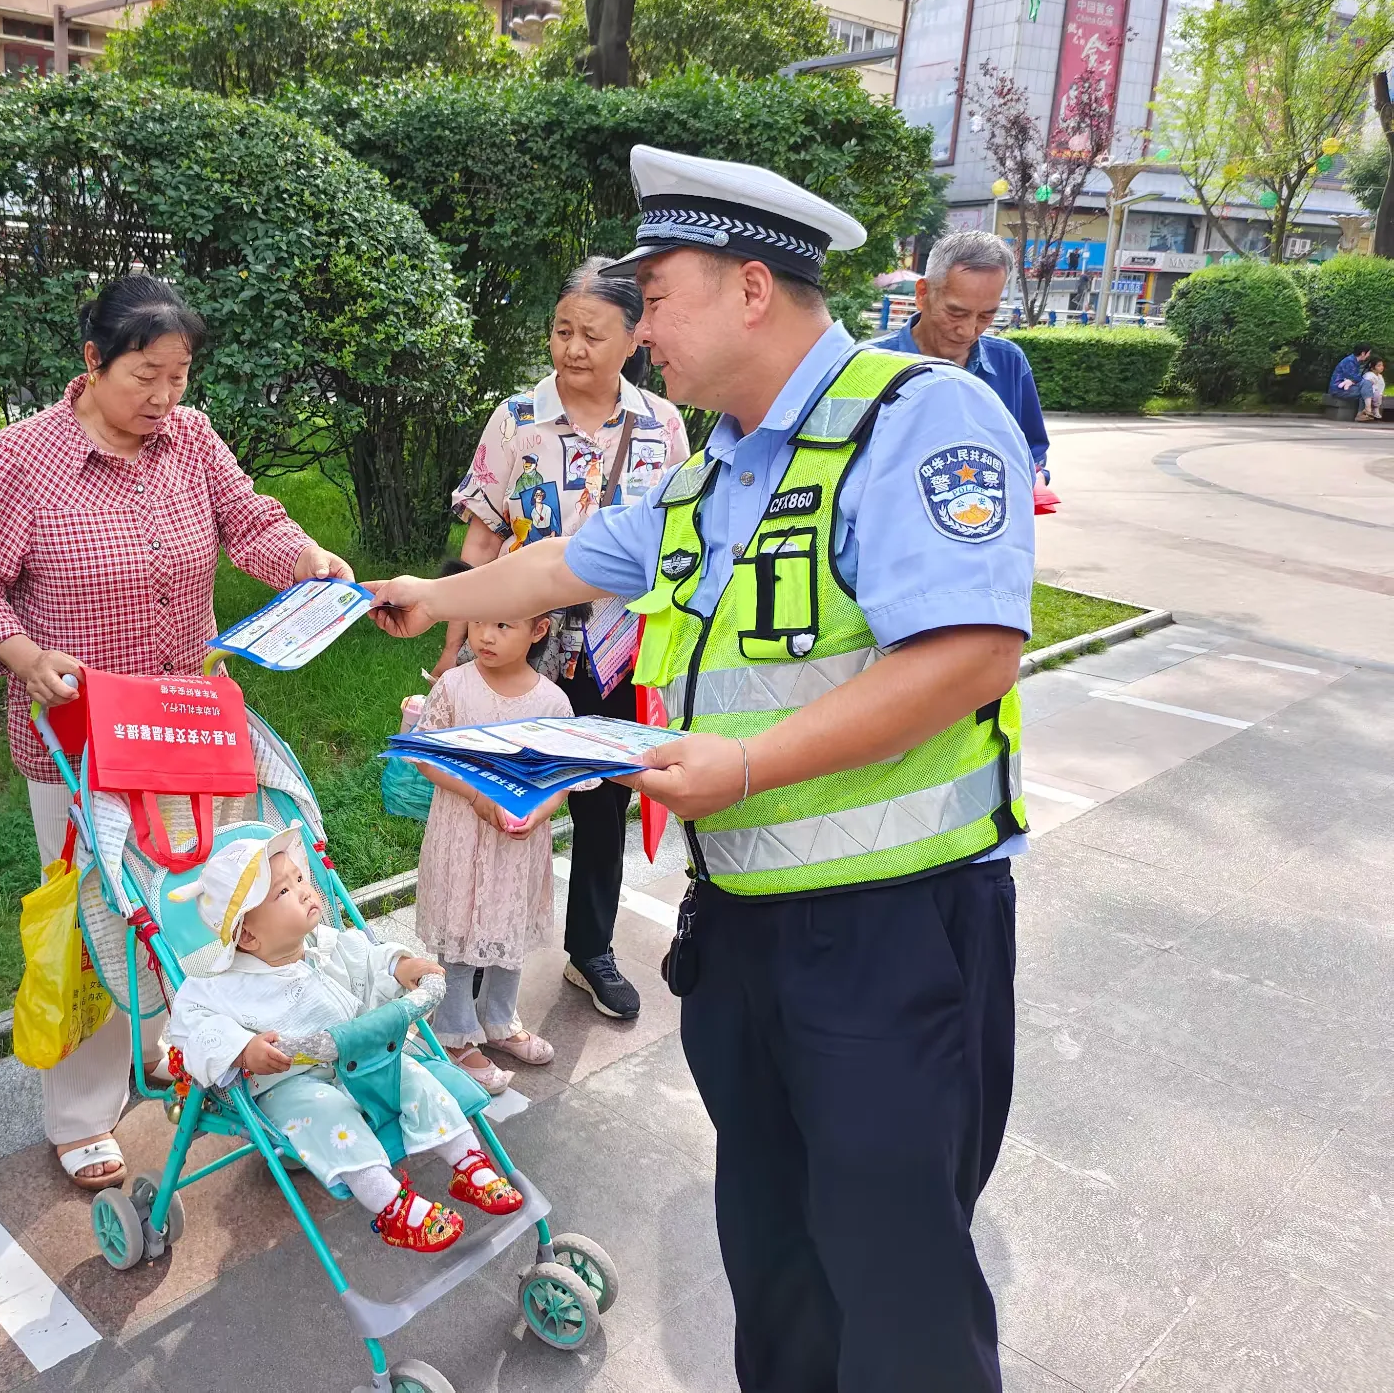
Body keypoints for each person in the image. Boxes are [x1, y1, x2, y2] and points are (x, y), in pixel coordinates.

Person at [367, 145, 1034, 1393]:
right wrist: (427, 594)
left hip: (889, 937)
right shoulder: (712, 471)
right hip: (746, 934)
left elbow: (968, 655)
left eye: (654, 295)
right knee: (773, 1261)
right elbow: (564, 563)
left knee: (894, 1285)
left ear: (747, 289)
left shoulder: (915, 418)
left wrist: (744, 765)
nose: (638, 329)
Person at [0, 274, 352, 1190]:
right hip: (82, 737)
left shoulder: (191, 440)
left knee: (215, 902)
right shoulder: (24, 456)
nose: (165, 400)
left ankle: (191, 1046)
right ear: (91, 363)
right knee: (102, 920)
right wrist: (22, 653)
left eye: (179, 376)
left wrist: (309, 560)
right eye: (144, 377)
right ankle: (83, 1111)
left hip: (194, 725)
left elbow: (252, 522)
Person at [437, 258, 690, 1023]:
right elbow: (480, 545)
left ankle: (592, 951)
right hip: (521, 648)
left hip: (619, 649)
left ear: (632, 340)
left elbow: (680, 540)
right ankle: (479, 961)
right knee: (502, 798)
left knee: (606, 803)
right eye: (561, 331)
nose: (572, 348)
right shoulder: (518, 419)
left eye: (592, 334)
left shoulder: (662, 425)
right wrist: (453, 647)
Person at [163, 827, 524, 1251]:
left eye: (300, 879)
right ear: (248, 935)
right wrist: (242, 1049)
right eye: (283, 892)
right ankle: (389, 1203)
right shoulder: (225, 986)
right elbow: (194, 1025)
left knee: (412, 1073)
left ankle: (468, 1162)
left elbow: (369, 957)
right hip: (291, 1083)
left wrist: (398, 967)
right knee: (326, 1113)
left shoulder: (325, 946)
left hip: (361, 1060)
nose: (303, 891)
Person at [410, 585, 570, 1095]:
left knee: (508, 928)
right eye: (478, 622)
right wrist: (478, 797)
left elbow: (560, 780)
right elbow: (427, 755)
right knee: (459, 929)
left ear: (538, 630)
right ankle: (454, 1032)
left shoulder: (552, 701)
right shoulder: (455, 687)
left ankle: (499, 1019)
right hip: (461, 834)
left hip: (517, 846)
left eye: (503, 625)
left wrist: (535, 811)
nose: (485, 635)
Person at [872, 230, 1050, 480]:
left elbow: (1032, 451)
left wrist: (1036, 477)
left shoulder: (1009, 363)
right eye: (956, 313)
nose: (968, 331)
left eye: (986, 316)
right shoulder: (870, 364)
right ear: (923, 293)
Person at [1331, 341, 1372, 410]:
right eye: (1368, 353)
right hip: (1339, 389)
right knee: (1366, 391)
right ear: (1363, 353)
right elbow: (1353, 377)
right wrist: (1365, 381)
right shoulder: (1349, 361)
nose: (1369, 355)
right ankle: (1365, 412)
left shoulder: (1354, 361)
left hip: (1346, 388)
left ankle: (1364, 413)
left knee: (1366, 391)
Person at [1354, 354, 1383, 421]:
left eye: (1382, 365)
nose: (1382, 367)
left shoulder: (1380, 376)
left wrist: (1380, 392)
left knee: (1378, 396)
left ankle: (1374, 410)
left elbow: (1381, 386)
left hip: (1375, 392)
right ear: (1372, 368)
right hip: (1369, 392)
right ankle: (1368, 410)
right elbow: (1366, 385)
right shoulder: (1368, 375)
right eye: (1379, 366)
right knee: (1366, 396)